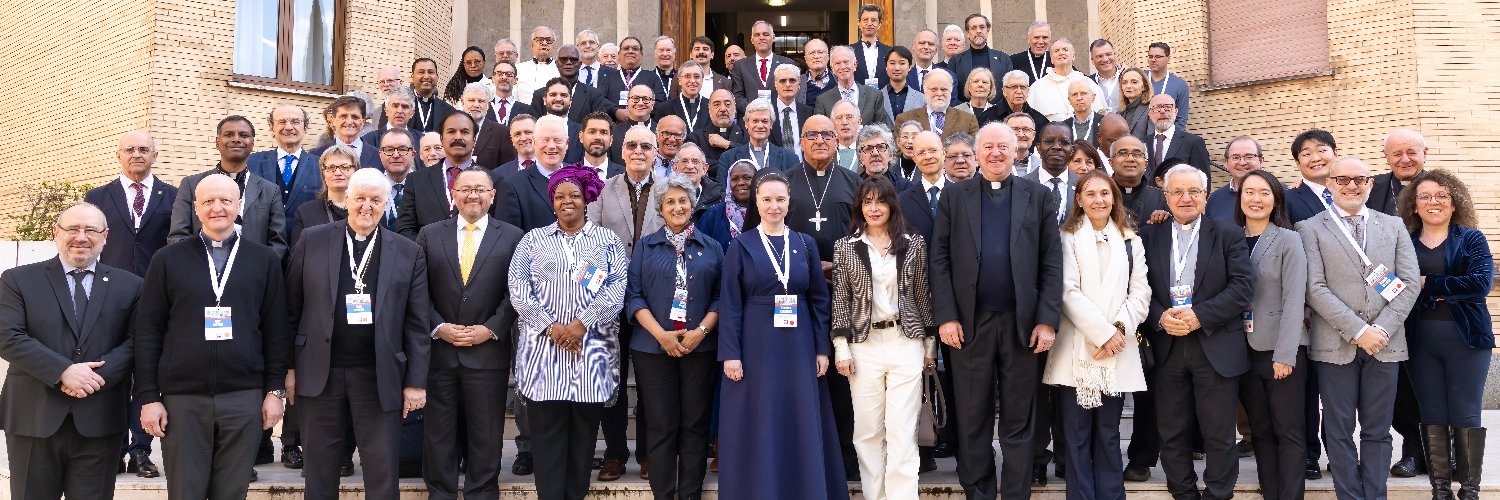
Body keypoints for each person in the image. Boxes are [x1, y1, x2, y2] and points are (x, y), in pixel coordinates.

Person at [135, 173, 291, 498]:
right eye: (208, 201)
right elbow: (148, 331)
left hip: (244, 396)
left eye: (225, 200)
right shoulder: (167, 260)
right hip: (183, 399)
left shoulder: (263, 259)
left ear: (239, 205)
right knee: (186, 492)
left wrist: (275, 391)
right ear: (196, 208)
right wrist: (149, 397)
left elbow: (276, 331)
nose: (217, 208)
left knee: (232, 493)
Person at [931, 122, 1063, 499]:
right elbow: (939, 259)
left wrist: (1047, 321)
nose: (995, 153)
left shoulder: (1038, 196)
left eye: (1003, 146)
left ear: (1017, 151)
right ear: (977, 153)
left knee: (1019, 417)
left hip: (1022, 326)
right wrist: (947, 316)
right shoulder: (954, 196)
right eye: (987, 147)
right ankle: (979, 491)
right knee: (973, 415)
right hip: (969, 325)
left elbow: (1052, 262)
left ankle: (1017, 493)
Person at [284, 168, 429, 500]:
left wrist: (416, 382)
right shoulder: (313, 239)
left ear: (386, 204)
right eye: (360, 198)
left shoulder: (408, 251)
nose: (367, 206)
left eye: (375, 200)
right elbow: (291, 309)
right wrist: (288, 368)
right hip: (320, 373)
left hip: (379, 376)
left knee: (382, 472)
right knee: (320, 471)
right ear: (346, 199)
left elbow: (417, 323)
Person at [717, 172, 849, 500]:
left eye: (780, 199)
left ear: (790, 202)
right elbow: (730, 303)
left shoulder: (805, 243)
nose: (774, 206)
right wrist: (731, 353)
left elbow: (819, 300)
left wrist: (822, 349)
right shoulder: (741, 246)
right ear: (756, 202)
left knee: (799, 416)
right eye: (767, 200)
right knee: (763, 416)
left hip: (800, 345)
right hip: (756, 346)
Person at [0, 203, 142, 499]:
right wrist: (63, 371)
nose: (81, 237)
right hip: (33, 418)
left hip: (100, 419)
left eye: (91, 230)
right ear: (56, 232)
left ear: (105, 236)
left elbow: (138, 342)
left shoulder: (131, 285)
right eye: (73, 229)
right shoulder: (17, 280)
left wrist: (92, 379)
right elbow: (7, 335)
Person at [1299, 156, 1420, 500]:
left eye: (1360, 179)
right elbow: (1314, 288)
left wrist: (1380, 329)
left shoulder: (1393, 225)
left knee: (1378, 430)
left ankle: (1375, 495)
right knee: (1338, 429)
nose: (1351, 185)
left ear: (1370, 184)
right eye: (1342, 179)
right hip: (1334, 344)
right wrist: (1357, 330)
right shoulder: (1310, 228)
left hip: (1386, 343)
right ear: (1329, 184)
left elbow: (1409, 283)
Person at [509, 164, 627, 500]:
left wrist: (580, 324)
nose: (567, 202)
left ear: (586, 199)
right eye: (559, 196)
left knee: (583, 442)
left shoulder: (606, 241)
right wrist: (551, 327)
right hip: (544, 357)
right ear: (552, 201)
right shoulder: (533, 241)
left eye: (574, 195)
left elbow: (617, 287)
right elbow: (518, 287)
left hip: (590, 356)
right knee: (547, 442)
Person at [1140, 164, 1252, 499]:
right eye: (1177, 191)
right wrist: (1160, 318)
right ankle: (1183, 492)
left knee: (1218, 431)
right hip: (1167, 347)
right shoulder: (1149, 235)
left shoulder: (1229, 234)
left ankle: (1218, 493)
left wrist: (1200, 315)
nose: (1185, 198)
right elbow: (1138, 289)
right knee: (1172, 430)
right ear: (1166, 196)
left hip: (1214, 344)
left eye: (1194, 191)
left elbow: (1242, 288)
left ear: (1206, 195)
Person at [414, 166, 527, 499]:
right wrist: (439, 327)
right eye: (465, 189)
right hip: (440, 352)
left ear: (492, 196)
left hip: (487, 352)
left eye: (480, 189)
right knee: (438, 433)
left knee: (486, 432)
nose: (473, 195)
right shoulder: (429, 234)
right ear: (454, 194)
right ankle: (441, 493)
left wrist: (491, 329)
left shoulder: (513, 236)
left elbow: (517, 292)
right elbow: (418, 291)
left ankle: (482, 492)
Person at [1042, 169, 1150, 500]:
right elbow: (1066, 291)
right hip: (1077, 348)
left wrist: (1118, 330)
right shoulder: (1066, 237)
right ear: (1079, 199)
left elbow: (1141, 292)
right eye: (1090, 193)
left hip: (1117, 347)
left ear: (1114, 198)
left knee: (1108, 433)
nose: (1098, 200)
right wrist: (1102, 333)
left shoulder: (1130, 239)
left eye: (1105, 193)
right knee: (1075, 435)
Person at [829, 177, 936, 500]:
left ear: (892, 204)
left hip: (906, 342)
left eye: (880, 201)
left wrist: (930, 346)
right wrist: (841, 347)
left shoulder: (913, 243)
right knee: (868, 431)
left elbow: (922, 295)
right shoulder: (846, 246)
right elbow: (841, 300)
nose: (874, 208)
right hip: (864, 346)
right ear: (859, 207)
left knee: (902, 430)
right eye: (867, 202)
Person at [625, 173, 724, 500]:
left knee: (694, 425)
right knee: (661, 424)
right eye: (670, 202)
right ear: (661, 208)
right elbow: (634, 296)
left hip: (700, 348)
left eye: (683, 200)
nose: (677, 206)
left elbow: (720, 297)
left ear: (692, 205)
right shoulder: (646, 247)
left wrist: (701, 332)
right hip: (652, 349)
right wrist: (661, 335)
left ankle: (690, 494)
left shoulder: (712, 247)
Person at [84, 132, 176, 478]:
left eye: (143, 149)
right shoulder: (97, 197)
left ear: (155, 155)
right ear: (119, 155)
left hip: (156, 295)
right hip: (110, 297)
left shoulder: (174, 195)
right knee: (111, 370)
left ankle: (140, 450)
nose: (137, 154)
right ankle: (115, 449)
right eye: (130, 149)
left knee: (147, 371)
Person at [1397, 169, 1492, 499]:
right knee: (1431, 414)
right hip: (1420, 340)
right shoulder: (1404, 242)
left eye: (1442, 196)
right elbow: (1391, 286)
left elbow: (1480, 283)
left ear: (1454, 203)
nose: (1433, 201)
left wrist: (1427, 283)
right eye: (1424, 196)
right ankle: (1440, 491)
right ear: (1414, 205)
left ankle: (1469, 491)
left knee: (1466, 413)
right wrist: (1446, 288)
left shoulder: (1471, 239)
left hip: (1466, 340)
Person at [587, 124, 665, 481]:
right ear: (621, 151)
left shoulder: (669, 189)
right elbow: (589, 241)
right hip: (610, 301)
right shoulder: (603, 191)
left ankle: (649, 453)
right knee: (612, 380)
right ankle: (615, 453)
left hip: (654, 301)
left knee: (652, 382)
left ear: (655, 152)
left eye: (645, 146)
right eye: (631, 145)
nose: (638, 151)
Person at [1234, 169, 1309, 500]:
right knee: (1261, 431)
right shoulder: (1230, 238)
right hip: (1243, 350)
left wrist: (1286, 354)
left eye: (1264, 192)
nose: (1256, 199)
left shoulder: (1288, 240)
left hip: (1281, 350)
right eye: (1249, 192)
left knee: (1288, 430)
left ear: (1276, 199)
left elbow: (1295, 300)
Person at [1371, 129, 1430, 479]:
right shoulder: (1373, 186)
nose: (1404, 159)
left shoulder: (1441, 186)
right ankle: (1413, 449)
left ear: (1425, 152)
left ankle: (1442, 451)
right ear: (1386, 157)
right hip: (1384, 302)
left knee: (1430, 382)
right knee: (1401, 386)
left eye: (1411, 152)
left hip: (1430, 303)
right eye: (1396, 153)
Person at [168, 115, 290, 260]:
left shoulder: (270, 190)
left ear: (252, 143)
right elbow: (178, 236)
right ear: (217, 142)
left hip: (253, 270)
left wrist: (258, 268)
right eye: (229, 134)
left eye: (243, 135)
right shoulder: (191, 185)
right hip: (200, 269)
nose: (236, 139)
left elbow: (278, 243)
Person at [394, 112, 504, 239]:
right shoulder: (416, 181)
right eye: (451, 132)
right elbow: (405, 228)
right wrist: (427, 249)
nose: (458, 137)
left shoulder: (495, 181)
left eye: (464, 132)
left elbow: (499, 232)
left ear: (474, 140)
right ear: (441, 139)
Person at [248, 105, 322, 220]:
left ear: (305, 127)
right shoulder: (252, 162)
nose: (288, 127)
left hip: (305, 231)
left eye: (295, 122)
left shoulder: (321, 165)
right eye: (282, 122)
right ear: (272, 128)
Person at [498, 115, 571, 231]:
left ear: (567, 143)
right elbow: (508, 236)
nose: (551, 146)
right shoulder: (513, 186)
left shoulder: (582, 178)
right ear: (534, 142)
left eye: (557, 140)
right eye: (545, 140)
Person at [289, 146, 357, 250]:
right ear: (323, 173)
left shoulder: (366, 210)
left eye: (345, 167)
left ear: (356, 171)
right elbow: (297, 255)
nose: (338, 173)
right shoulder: (306, 213)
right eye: (331, 167)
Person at [1028, 39, 1107, 123]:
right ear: (1051, 59)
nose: (1061, 53)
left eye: (1065, 50)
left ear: (1073, 56)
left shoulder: (1088, 83)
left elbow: (1101, 118)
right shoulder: (1038, 87)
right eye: (1056, 51)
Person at [815, 46, 895, 129]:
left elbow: (883, 129)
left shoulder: (874, 96)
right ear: (832, 69)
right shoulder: (823, 101)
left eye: (846, 62)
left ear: (855, 65)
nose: (843, 67)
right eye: (837, 63)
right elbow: (820, 130)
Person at [718, 98, 800, 178]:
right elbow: (722, 187)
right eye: (755, 121)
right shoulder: (728, 158)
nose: (760, 126)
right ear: (746, 124)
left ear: (771, 124)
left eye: (765, 121)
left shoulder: (790, 159)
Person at [947, 14, 1013, 106]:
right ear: (968, 32)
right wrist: (967, 110)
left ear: (987, 30)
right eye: (973, 28)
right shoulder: (955, 61)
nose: (978, 31)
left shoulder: (1003, 59)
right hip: (965, 113)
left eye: (982, 27)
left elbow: (1010, 90)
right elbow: (951, 92)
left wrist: (997, 110)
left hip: (998, 112)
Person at [1142, 94, 1210, 184]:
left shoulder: (1193, 143)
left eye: (1168, 107)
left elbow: (1204, 181)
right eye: (1157, 107)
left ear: (1176, 111)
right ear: (1149, 113)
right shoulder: (1142, 143)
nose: (1162, 111)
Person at [730, 21, 796, 109]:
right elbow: (737, 97)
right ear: (752, 40)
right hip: (750, 115)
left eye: (765, 34)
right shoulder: (740, 66)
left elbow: (792, 93)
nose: (761, 38)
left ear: (773, 37)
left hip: (779, 115)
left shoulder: (787, 63)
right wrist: (756, 111)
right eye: (757, 35)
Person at [896, 69, 979, 140]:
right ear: (925, 90)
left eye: (944, 89)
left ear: (951, 90)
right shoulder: (905, 119)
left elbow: (974, 149)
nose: (939, 93)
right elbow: (898, 149)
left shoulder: (969, 120)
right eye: (934, 89)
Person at [1025, 123, 1082, 226]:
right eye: (1049, 141)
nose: (1057, 147)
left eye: (1064, 142)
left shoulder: (1082, 186)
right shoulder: (1021, 186)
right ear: (1038, 148)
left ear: (1072, 150)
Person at [698, 159, 756, 250]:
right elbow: (699, 248)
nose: (741, 183)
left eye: (747, 178)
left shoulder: (767, 213)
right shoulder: (714, 214)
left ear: (757, 181)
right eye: (735, 179)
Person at [900, 131, 948, 240]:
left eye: (933, 150)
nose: (928, 156)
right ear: (914, 158)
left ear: (944, 153)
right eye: (921, 153)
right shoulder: (902, 201)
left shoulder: (961, 196)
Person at [1286, 129, 1340, 224]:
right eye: (1306, 154)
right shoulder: (1287, 200)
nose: (1315, 159)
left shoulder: (1355, 189)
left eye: (1322, 150)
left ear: (1335, 153)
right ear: (1297, 162)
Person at [1205, 136, 1263, 222]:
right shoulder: (1215, 199)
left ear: (1261, 161)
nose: (1242, 162)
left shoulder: (1279, 193)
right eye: (1235, 157)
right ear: (1226, 163)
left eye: (1249, 156)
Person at [460, 82, 516, 169]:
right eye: (471, 100)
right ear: (462, 103)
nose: (476, 105)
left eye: (481, 101)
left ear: (488, 105)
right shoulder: (451, 128)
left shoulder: (501, 132)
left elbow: (507, 168)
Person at [687, 88, 746, 166]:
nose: (723, 109)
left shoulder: (746, 135)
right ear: (709, 109)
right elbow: (696, 164)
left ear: (735, 108)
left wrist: (727, 144)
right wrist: (734, 165)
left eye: (727, 104)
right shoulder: (695, 138)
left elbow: (752, 157)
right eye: (717, 105)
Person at [377, 129, 418, 229]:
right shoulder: (371, 187)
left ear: (413, 154)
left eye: (402, 149)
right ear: (380, 155)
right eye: (389, 149)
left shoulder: (426, 186)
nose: (395, 155)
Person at [403, 58, 456, 133]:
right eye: (421, 72)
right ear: (412, 76)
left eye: (430, 72)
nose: (426, 76)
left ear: (437, 77)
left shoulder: (449, 111)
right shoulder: (400, 105)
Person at [1146, 42, 1189, 129]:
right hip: (1138, 135)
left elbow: (1181, 120)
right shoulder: (1139, 78)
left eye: (1158, 56)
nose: (1153, 59)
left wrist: (1168, 137)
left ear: (1168, 58)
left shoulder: (1179, 85)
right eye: (1150, 56)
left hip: (1164, 134)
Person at [660, 61, 711, 134]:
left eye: (697, 76)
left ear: (702, 80)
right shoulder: (665, 108)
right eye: (687, 76)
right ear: (679, 81)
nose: (692, 81)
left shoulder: (711, 107)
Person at [673, 143, 724, 215]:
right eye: (684, 161)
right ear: (675, 167)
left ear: (704, 168)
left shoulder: (720, 197)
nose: (690, 166)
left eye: (695, 161)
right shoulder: (664, 194)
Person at [856, 124, 910, 192]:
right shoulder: (852, 189)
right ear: (861, 158)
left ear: (890, 154)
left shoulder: (906, 189)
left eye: (880, 147)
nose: (875, 153)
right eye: (868, 149)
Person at [514, 26, 560, 105]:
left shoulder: (560, 70)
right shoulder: (518, 69)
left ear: (554, 46)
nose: (544, 43)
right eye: (540, 40)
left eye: (548, 40)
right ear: (532, 44)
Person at [851, 4, 892, 88]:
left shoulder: (890, 52)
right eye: (865, 20)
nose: (869, 23)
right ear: (859, 23)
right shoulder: (849, 51)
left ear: (879, 24)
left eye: (873, 20)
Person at [577, 111, 625, 180]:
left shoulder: (624, 175)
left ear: (611, 139)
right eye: (592, 132)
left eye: (603, 133)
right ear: (581, 137)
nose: (598, 137)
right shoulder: (568, 174)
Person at [880, 46, 924, 119]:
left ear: (910, 67)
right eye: (892, 63)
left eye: (902, 63)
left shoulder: (921, 99)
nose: (897, 68)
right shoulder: (876, 97)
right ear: (886, 67)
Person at [488, 60, 538, 125]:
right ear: (493, 79)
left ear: (515, 80)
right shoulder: (484, 108)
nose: (504, 77)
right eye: (499, 74)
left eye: (509, 74)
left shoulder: (527, 110)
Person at [1061, 79, 1106, 147]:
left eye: (1083, 93)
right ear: (1069, 100)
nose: (1079, 98)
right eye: (1074, 94)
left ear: (1093, 97)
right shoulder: (1063, 127)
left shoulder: (1104, 123)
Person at [1117, 67, 1153, 144]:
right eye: (1124, 83)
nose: (1128, 86)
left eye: (1134, 82)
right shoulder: (1119, 113)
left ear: (1144, 86)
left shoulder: (1151, 109)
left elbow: (1151, 141)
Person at [1004, 112, 1043, 176]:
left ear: (1033, 135)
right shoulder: (994, 165)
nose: (1021, 135)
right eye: (1015, 129)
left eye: (1026, 129)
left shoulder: (1043, 166)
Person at [1088, 40, 1122, 113]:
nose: (1105, 59)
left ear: (1114, 54)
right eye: (1099, 56)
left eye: (1108, 54)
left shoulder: (1127, 78)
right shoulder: (1088, 83)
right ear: (1092, 60)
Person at [801, 39, 836, 108]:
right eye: (812, 53)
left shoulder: (839, 79)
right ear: (805, 59)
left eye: (820, 52)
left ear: (828, 57)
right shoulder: (798, 83)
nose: (816, 56)